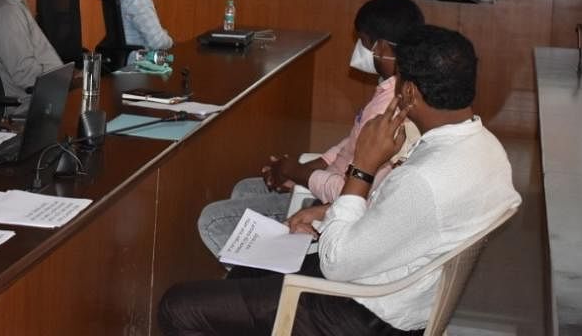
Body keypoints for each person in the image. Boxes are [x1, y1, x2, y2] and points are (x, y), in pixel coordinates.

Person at [159, 25, 521, 335]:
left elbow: (336, 264)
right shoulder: (487, 149)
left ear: (408, 93)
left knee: (179, 307)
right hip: (396, 290)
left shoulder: (422, 180)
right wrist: (327, 211)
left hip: (364, 314)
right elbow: (401, 217)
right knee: (247, 271)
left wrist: (364, 166)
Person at [196, 0, 423, 256]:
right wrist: (299, 170)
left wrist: (296, 172)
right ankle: (254, 272)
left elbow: (354, 193)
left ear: (381, 48)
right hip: (329, 187)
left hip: (333, 206)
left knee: (212, 220)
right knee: (244, 190)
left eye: (362, 41)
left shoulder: (391, 108)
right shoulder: (388, 91)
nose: (357, 49)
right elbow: (350, 146)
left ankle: (261, 278)